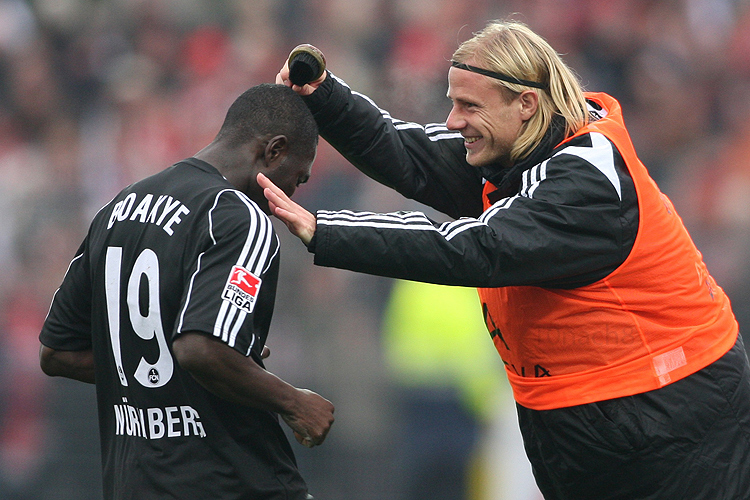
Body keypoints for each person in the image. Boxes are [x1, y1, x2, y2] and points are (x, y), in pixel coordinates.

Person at [262, 21, 750, 499]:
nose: (453, 121)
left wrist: (322, 228)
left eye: (469, 106)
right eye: (453, 103)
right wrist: (321, 96)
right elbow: (408, 153)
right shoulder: (520, 147)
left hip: (673, 410)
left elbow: (477, 247)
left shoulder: (586, 178)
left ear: (526, 104)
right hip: (602, 417)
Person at [38, 83, 335, 500]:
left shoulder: (118, 208)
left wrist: (213, 365)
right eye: (297, 178)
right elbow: (200, 349)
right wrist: (293, 401)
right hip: (228, 480)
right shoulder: (238, 215)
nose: (290, 195)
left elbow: (57, 352)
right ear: (274, 151)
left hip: (133, 482)